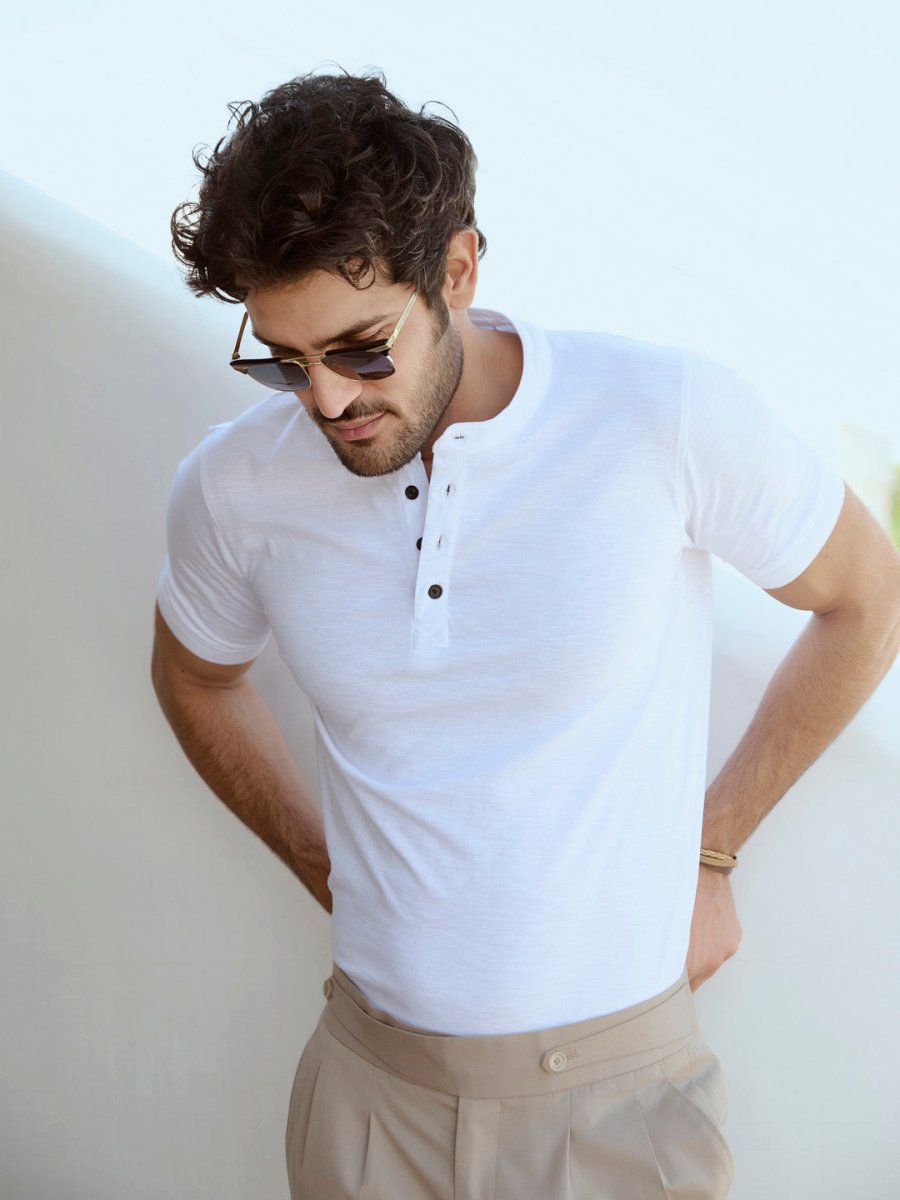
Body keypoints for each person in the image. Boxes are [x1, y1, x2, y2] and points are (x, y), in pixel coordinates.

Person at [151, 67, 900, 1200]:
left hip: (619, 1106)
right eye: (281, 360)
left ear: (456, 269)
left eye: (361, 348)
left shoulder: (660, 418)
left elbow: (868, 596)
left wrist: (713, 849)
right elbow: (195, 676)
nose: (326, 403)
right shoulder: (236, 487)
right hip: (370, 1099)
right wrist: (323, 865)